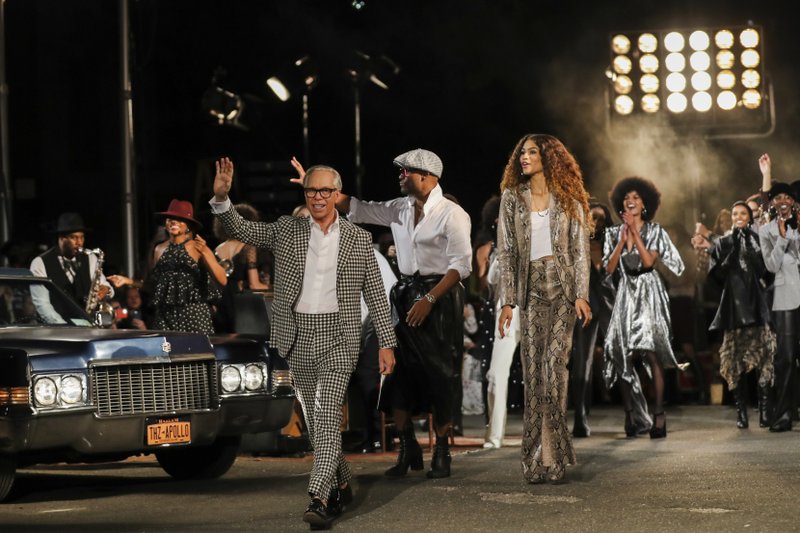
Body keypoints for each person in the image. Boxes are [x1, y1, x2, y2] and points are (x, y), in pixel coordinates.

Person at [211, 158, 396, 529]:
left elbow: (376, 293)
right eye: (312, 190)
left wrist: (386, 344)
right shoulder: (286, 229)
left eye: (326, 190)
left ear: (336, 194)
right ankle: (341, 479)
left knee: (326, 414)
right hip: (297, 335)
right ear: (305, 193)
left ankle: (319, 496)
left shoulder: (359, 239)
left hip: (340, 336)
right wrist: (221, 198)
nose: (318, 197)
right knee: (317, 422)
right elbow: (241, 228)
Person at [321, 148, 472, 480]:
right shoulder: (400, 208)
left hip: (440, 298)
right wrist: (321, 188)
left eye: (405, 172)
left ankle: (442, 451)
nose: (400, 176)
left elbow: (461, 265)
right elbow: (358, 208)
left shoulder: (452, 214)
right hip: (405, 295)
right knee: (396, 375)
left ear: (426, 176)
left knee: (439, 375)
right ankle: (408, 446)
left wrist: (430, 298)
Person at [496, 133, 592, 484]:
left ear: (548, 157)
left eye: (532, 152)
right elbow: (507, 252)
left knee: (554, 369)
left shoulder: (568, 198)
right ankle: (535, 459)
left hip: (563, 289)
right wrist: (507, 300)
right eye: (522, 152)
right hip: (530, 289)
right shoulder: (512, 198)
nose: (525, 158)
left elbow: (580, 250)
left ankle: (554, 456)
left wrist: (581, 294)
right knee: (534, 374)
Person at [603, 176, 685, 439]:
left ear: (645, 204)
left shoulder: (655, 231)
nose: (631, 201)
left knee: (650, 353)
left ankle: (659, 414)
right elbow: (608, 268)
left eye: (637, 197)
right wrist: (621, 238)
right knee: (623, 355)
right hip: (626, 292)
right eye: (627, 198)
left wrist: (636, 234)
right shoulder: (613, 233)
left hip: (649, 291)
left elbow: (649, 262)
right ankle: (631, 414)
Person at [703, 201, 775, 428]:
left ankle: (764, 411)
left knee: (763, 358)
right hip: (734, 307)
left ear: (749, 217)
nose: (738, 216)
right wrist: (733, 245)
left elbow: (766, 270)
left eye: (743, 213)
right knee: (736, 362)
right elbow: (715, 276)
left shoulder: (757, 240)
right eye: (735, 213)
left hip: (756, 304)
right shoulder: (724, 241)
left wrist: (748, 243)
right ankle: (741, 413)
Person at [108, 199, 225, 334]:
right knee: (165, 352)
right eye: (170, 218)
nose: (173, 222)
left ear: (188, 225)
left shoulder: (197, 247)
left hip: (194, 315)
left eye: (179, 219)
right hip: (165, 316)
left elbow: (222, 279)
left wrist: (205, 252)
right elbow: (154, 287)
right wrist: (128, 281)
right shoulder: (159, 249)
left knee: (194, 354)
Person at [569, 201, 614, 438]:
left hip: (610, 306)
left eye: (601, 218)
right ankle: (580, 418)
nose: (596, 222)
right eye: (592, 217)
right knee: (582, 363)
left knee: (620, 357)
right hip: (585, 308)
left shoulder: (611, 244)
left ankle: (635, 414)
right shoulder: (577, 244)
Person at [758, 181, 800, 432]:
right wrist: (783, 239)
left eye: (787, 197)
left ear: (793, 202)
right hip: (785, 297)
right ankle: (783, 414)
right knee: (785, 357)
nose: (783, 200)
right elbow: (772, 266)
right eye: (778, 197)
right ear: (773, 203)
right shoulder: (766, 231)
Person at [30, 212, 113, 323]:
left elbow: (108, 288)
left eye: (82, 237)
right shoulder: (40, 263)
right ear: (61, 238)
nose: (79, 242)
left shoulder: (90, 258)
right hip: (55, 330)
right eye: (74, 237)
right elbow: (42, 305)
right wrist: (65, 327)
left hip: (87, 327)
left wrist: (106, 290)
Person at [212, 202, 271, 333]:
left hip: (221, 307)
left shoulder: (217, 249)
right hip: (244, 308)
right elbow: (255, 285)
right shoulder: (250, 246)